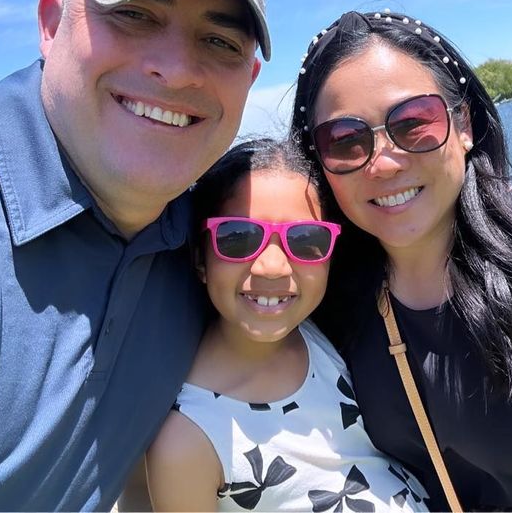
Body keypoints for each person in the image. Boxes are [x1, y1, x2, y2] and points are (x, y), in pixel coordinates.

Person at [0, 0, 270, 511]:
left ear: (250, 81)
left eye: (220, 42)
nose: (178, 69)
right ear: (50, 25)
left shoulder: (215, 249)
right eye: (133, 13)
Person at [289, 10, 512, 511]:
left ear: (464, 125)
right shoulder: (324, 288)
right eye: (345, 141)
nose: (384, 162)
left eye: (413, 123)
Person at [145, 138, 430, 512]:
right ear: (202, 257)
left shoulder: (331, 336)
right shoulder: (187, 437)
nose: (272, 267)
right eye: (239, 237)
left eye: (307, 240)